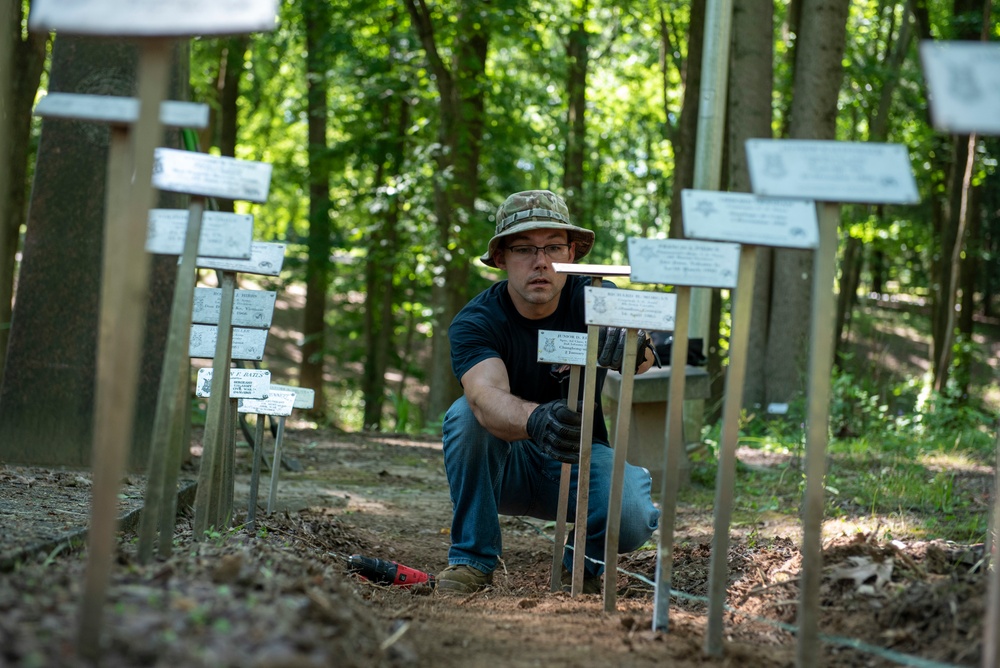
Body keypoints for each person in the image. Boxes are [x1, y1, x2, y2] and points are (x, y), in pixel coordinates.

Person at [437, 189, 661, 595]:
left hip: (581, 459)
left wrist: (630, 340)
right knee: (465, 417)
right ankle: (472, 558)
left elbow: (645, 358)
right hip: (509, 465)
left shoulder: (596, 296)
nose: (541, 262)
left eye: (553, 247)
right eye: (524, 248)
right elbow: (483, 397)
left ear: (572, 253)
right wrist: (536, 418)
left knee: (632, 513)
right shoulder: (476, 321)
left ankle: (584, 567)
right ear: (501, 258)